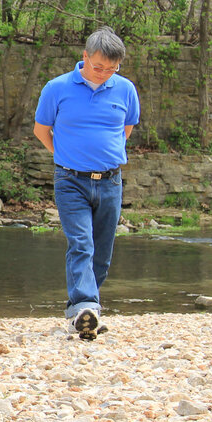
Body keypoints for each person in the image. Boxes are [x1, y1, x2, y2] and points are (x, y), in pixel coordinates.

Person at [32, 27, 140, 341]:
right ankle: (84, 305)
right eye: (98, 67)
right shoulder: (57, 88)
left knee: (102, 254)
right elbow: (42, 130)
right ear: (84, 58)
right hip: (70, 180)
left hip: (110, 181)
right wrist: (66, 154)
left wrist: (106, 155)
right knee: (82, 244)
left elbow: (126, 128)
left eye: (112, 69)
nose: (105, 74)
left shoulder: (125, 89)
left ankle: (82, 313)